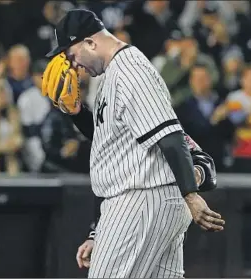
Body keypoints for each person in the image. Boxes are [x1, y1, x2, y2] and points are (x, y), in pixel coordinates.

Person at [44, 9, 225, 278]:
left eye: (72, 55)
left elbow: (170, 135)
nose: (73, 65)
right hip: (145, 201)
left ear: (90, 42)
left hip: (141, 199)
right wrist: (77, 113)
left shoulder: (130, 70)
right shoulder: (112, 74)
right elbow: (112, 144)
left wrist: (191, 195)